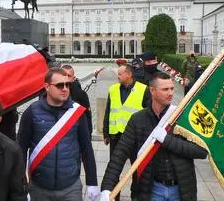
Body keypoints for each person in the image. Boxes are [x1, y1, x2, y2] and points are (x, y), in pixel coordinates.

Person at [100, 72, 208, 201]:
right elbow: (119, 154)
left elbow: (201, 151)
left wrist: (166, 140)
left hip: (181, 190)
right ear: (152, 90)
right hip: (151, 189)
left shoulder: (183, 117)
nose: (170, 93)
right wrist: (107, 188)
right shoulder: (137, 119)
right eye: (165, 89)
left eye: (172, 88)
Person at [17, 67, 99, 201]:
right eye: (60, 85)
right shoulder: (31, 112)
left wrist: (92, 182)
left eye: (68, 84)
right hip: (39, 188)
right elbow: (20, 149)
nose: (65, 89)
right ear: (47, 86)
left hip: (70, 187)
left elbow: (87, 149)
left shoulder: (77, 114)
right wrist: (21, 185)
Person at [102, 63, 150, 201]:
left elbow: (148, 114)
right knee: (114, 170)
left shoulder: (143, 89)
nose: (117, 76)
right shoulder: (113, 89)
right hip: (116, 136)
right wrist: (106, 133)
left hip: (136, 138)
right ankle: (114, 196)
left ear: (129, 74)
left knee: (136, 169)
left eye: (120, 74)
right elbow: (109, 111)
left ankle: (135, 196)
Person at [61, 64, 93, 135]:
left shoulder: (81, 94)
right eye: (63, 75)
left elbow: (88, 118)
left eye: (69, 76)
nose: (66, 78)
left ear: (73, 78)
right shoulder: (52, 93)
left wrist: (88, 137)